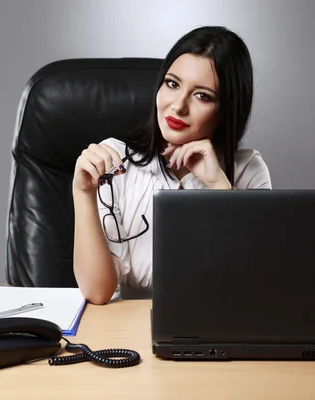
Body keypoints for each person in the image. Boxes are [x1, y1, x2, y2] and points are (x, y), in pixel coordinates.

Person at [72, 26, 271, 305]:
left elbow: (255, 286)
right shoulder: (114, 161)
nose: (178, 106)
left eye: (202, 95)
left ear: (227, 110)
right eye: (172, 84)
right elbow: (97, 291)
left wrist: (219, 186)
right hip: (128, 327)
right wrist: (83, 194)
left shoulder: (249, 169)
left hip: (215, 330)